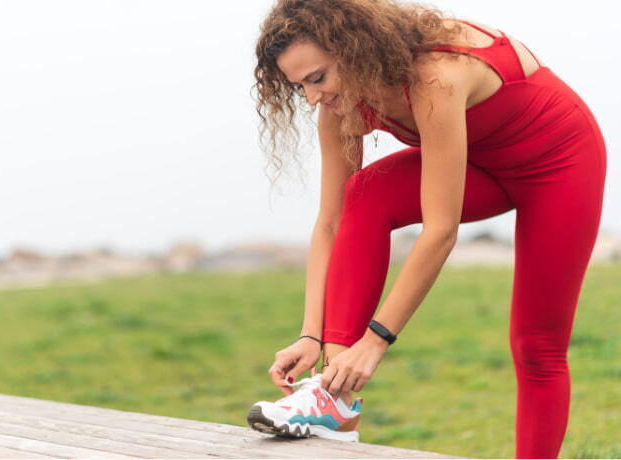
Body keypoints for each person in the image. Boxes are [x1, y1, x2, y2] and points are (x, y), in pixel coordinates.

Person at [247, 0, 607, 458]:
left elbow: (441, 229)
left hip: (557, 162)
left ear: (357, 50)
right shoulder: (340, 105)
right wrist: (311, 334)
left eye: (318, 78)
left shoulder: (436, 74)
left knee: (537, 346)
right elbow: (333, 222)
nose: (314, 97)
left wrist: (376, 341)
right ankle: (334, 401)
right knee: (366, 192)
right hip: (477, 165)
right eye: (301, 87)